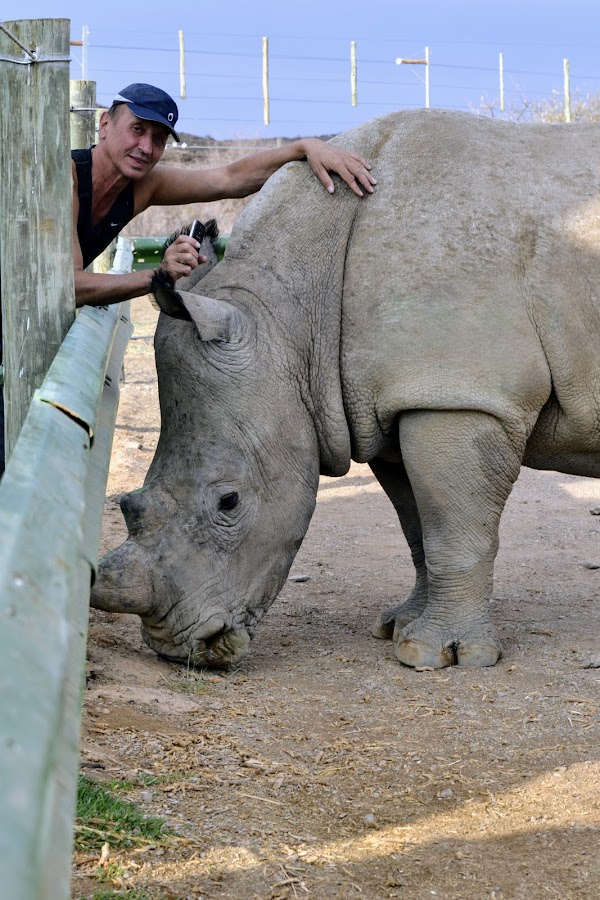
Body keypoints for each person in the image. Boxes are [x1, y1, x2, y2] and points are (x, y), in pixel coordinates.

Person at [72, 83, 377, 308]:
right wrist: (159, 276)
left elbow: (229, 179)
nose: (146, 148)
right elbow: (69, 287)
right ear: (105, 125)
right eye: (136, 129)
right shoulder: (66, 176)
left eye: (159, 138)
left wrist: (305, 147)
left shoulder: (143, 184)